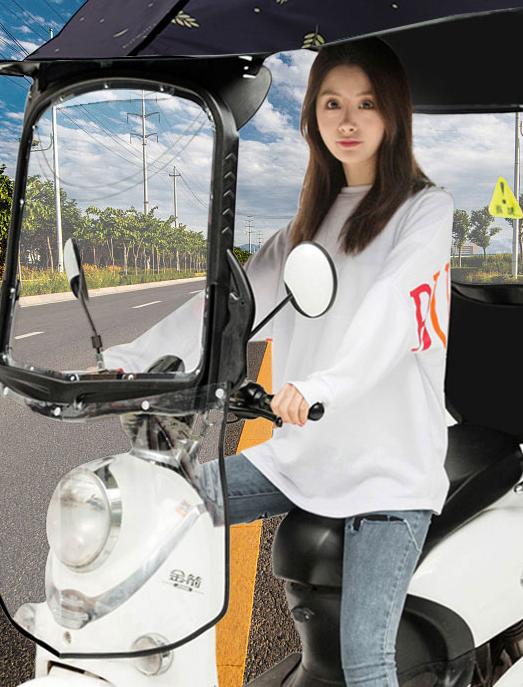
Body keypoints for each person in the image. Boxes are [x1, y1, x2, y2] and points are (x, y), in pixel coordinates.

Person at [103, 37, 454, 687]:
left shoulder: (424, 211)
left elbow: (392, 312)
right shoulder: (300, 230)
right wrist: (127, 363)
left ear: (394, 115)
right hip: (299, 457)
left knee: (365, 660)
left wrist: (322, 385)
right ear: (312, 118)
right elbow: (227, 309)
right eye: (331, 103)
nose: (348, 121)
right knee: (160, 502)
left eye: (367, 103)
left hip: (388, 473)